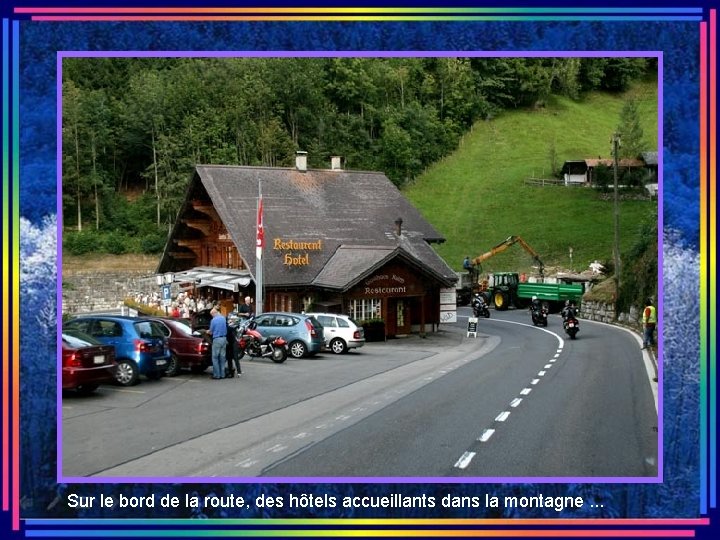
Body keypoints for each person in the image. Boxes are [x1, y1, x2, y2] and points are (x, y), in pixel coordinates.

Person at [206, 307, 227, 380]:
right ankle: (222, 374)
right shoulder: (223, 318)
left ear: (214, 313)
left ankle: (217, 375)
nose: (212, 316)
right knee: (222, 358)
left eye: (212, 315)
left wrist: (207, 331)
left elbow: (211, 332)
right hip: (224, 339)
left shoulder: (213, 320)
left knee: (215, 358)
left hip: (217, 339)